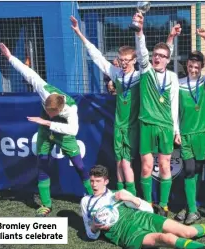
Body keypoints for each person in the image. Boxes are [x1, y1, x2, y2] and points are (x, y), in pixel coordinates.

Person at [0, 42, 93, 217]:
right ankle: (46, 204)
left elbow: (72, 131)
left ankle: (93, 197)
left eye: (52, 112)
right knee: (42, 164)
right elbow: (28, 73)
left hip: (63, 133)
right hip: (45, 130)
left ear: (59, 109)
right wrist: (10, 57)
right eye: (47, 110)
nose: (49, 113)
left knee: (79, 165)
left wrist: (48, 122)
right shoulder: (44, 91)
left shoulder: (71, 109)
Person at [81, 165, 205, 249]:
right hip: (126, 233)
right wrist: (95, 227)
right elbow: (90, 234)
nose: (94, 185)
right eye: (92, 181)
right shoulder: (86, 202)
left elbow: (147, 209)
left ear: (106, 181)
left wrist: (130, 198)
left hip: (142, 218)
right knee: (166, 238)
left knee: (187, 231)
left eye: (98, 181)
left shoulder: (118, 193)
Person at [71, 16, 139, 195]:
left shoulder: (140, 76)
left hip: (133, 126)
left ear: (134, 60)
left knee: (127, 162)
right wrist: (79, 33)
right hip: (119, 125)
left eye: (127, 60)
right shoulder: (116, 73)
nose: (123, 63)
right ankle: (121, 195)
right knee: (118, 162)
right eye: (121, 60)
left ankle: (130, 196)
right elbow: (97, 57)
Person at [133, 13, 180, 216]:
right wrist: (140, 30)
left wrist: (176, 129)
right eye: (156, 55)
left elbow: (174, 104)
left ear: (168, 60)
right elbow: (141, 51)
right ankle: (147, 203)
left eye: (162, 56)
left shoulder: (172, 77)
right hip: (146, 124)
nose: (157, 57)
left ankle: (164, 205)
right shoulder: (146, 71)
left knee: (164, 165)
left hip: (166, 126)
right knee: (146, 166)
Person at [174, 28, 205, 224]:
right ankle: (192, 210)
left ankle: (190, 206)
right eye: (191, 66)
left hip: (203, 133)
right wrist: (176, 131)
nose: (193, 69)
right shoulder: (178, 83)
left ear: (201, 67)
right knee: (189, 170)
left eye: (197, 67)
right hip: (185, 134)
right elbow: (173, 111)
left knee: (198, 170)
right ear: (186, 66)